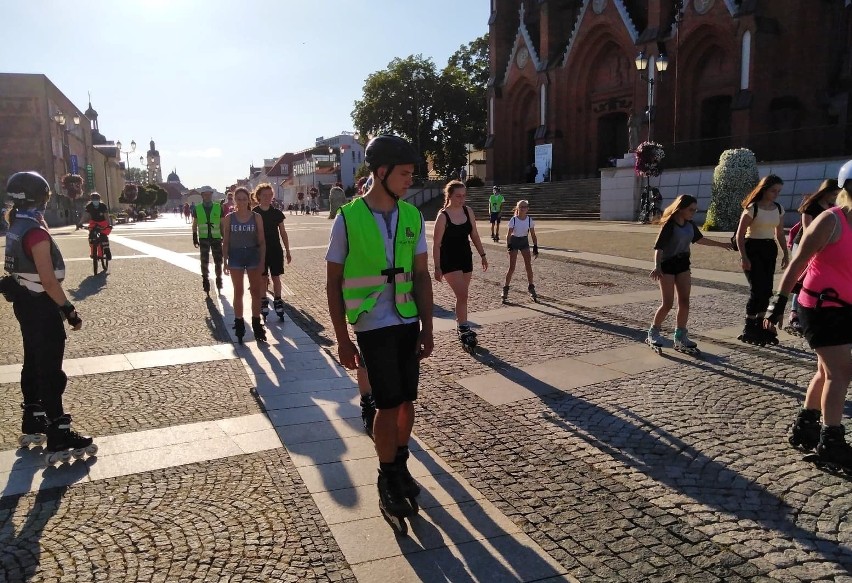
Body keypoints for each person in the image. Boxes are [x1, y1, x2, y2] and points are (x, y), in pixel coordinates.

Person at [325, 135, 433, 525]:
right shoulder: (348, 219)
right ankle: (386, 477)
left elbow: (421, 275)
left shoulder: (412, 216)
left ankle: (400, 466)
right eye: (404, 174)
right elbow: (333, 282)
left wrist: (428, 328)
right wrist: (341, 338)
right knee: (387, 406)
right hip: (373, 325)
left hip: (406, 322)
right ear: (382, 172)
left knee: (407, 402)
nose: (410, 181)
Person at [1, 172, 96, 463]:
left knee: (33, 361)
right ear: (40, 198)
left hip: (25, 303)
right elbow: (49, 281)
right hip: (41, 305)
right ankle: (59, 431)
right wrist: (69, 310)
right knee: (51, 369)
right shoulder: (35, 232)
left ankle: (33, 417)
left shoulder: (16, 225)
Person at [764, 161, 852, 472]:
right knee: (841, 373)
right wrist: (778, 304)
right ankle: (831, 442)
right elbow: (798, 261)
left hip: (845, 308)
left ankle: (806, 426)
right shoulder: (831, 220)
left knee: (825, 371)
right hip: (818, 307)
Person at [646, 195, 733, 352]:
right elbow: (659, 248)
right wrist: (657, 266)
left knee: (684, 302)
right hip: (667, 266)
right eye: (691, 209)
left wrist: (722, 244)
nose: (693, 212)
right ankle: (653, 331)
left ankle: (680, 336)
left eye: (695, 210)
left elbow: (700, 239)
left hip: (683, 265)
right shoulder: (669, 225)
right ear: (681, 209)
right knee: (667, 303)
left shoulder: (690, 225)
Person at [734, 174, 788, 345]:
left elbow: (779, 233)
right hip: (752, 248)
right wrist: (743, 256)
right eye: (773, 190)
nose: (776, 194)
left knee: (767, 289)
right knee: (757, 289)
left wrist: (786, 253)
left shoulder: (778, 208)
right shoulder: (752, 208)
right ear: (764, 189)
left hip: (768, 249)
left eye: (779, 191)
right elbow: (740, 235)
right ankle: (749, 325)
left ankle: (761, 323)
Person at [432, 180, 488, 349]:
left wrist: (483, 255)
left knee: (462, 296)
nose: (462, 199)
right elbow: (436, 244)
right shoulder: (443, 216)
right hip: (449, 260)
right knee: (463, 294)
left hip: (465, 258)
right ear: (449, 196)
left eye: (464, 196)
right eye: (458, 196)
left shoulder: (468, 211)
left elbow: (475, 235)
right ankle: (463, 326)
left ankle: (461, 325)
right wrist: (437, 267)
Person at [786, 179, 839, 335]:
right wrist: (813, 247)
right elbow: (807, 230)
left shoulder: (832, 208)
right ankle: (794, 312)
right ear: (826, 192)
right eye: (834, 194)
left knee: (813, 278)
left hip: (821, 246)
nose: (835, 197)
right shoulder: (811, 206)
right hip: (803, 244)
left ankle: (810, 308)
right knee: (800, 277)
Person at [222, 187, 266, 343]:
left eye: (244, 198)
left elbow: (261, 240)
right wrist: (225, 260)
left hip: (253, 255)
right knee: (238, 291)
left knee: (255, 291)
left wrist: (262, 260)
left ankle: (256, 323)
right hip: (236, 255)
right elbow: (226, 240)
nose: (241, 201)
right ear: (235, 200)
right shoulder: (229, 218)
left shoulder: (256, 217)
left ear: (249, 200)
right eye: (238, 199)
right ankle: (239, 322)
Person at [252, 183, 292, 321]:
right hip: (260, 251)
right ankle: (263, 300)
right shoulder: (254, 213)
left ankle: (278, 300)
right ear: (258, 197)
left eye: (270, 195)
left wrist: (287, 250)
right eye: (264, 195)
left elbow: (283, 232)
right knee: (263, 278)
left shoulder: (276, 213)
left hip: (275, 249)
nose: (268, 198)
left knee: (276, 277)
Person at [502, 200, 539, 303]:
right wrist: (508, 245)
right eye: (521, 207)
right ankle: (505, 288)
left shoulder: (529, 220)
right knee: (512, 267)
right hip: (514, 241)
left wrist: (535, 246)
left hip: (524, 241)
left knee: (528, 266)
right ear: (517, 208)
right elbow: (509, 234)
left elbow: (533, 234)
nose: (523, 208)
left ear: (527, 208)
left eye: (525, 207)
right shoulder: (513, 220)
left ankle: (531, 287)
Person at [191, 187, 225, 294]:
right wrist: (194, 236)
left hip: (216, 238)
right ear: (202, 196)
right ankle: (205, 279)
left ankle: (219, 278)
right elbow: (195, 223)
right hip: (204, 237)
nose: (207, 196)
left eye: (209, 194)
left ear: (211, 195)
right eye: (205, 195)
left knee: (218, 260)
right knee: (204, 260)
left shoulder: (218, 207)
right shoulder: (197, 208)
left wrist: (224, 236)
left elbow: (222, 223)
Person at [78, 192, 112, 260]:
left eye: (96, 199)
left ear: (99, 199)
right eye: (93, 199)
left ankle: (106, 250)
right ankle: (93, 253)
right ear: (91, 199)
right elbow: (85, 215)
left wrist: (108, 224)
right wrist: (80, 223)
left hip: (103, 222)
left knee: (103, 236)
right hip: (94, 222)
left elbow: (106, 216)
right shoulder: (89, 206)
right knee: (91, 237)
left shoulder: (103, 206)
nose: (95, 200)